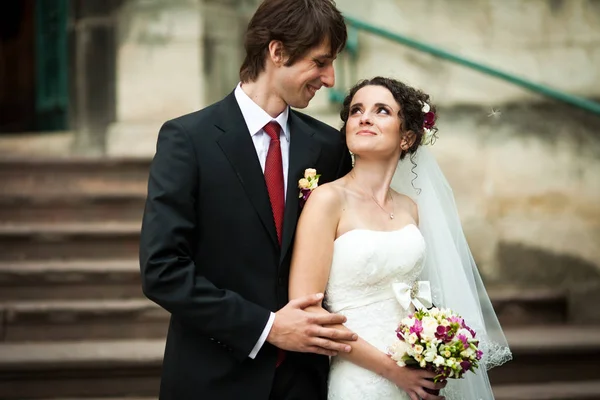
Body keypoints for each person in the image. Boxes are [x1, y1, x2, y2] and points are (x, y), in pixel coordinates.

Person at [139, 1, 358, 399]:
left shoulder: (328, 147)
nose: (329, 78)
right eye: (320, 62)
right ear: (277, 52)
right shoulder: (188, 141)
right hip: (213, 379)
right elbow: (162, 269)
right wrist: (268, 327)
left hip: (305, 383)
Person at [289, 77, 512, 400]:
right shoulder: (327, 200)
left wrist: (436, 348)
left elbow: (414, 295)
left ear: (406, 137)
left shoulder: (410, 208)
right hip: (360, 378)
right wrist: (392, 371)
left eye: (381, 110)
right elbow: (308, 312)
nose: (364, 117)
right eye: (356, 111)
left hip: (414, 378)